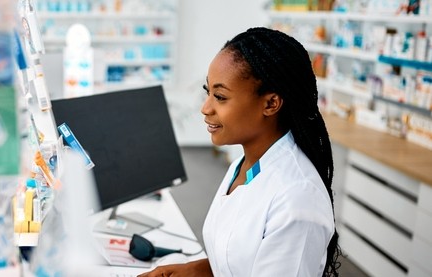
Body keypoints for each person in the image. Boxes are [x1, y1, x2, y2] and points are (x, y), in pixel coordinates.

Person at [140, 27, 340, 276]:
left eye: (220, 97)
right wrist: (197, 270)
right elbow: (243, 257)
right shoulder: (247, 163)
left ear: (270, 103)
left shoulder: (297, 199)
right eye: (208, 92)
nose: (205, 108)